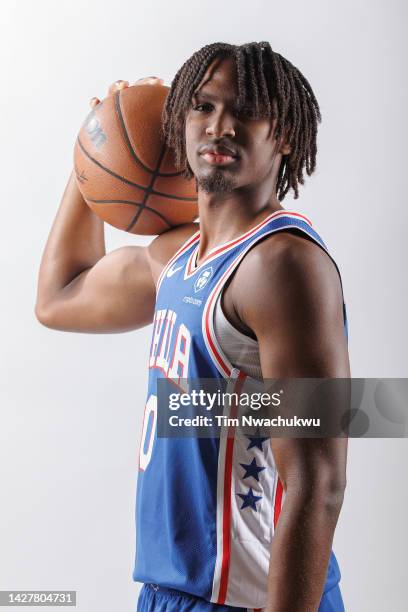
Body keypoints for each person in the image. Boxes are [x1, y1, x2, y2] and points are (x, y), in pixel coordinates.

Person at [35, 41, 350, 612]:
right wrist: (90, 153)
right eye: (201, 107)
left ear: (284, 136)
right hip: (169, 592)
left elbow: (319, 483)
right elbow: (59, 298)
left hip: (252, 599)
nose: (220, 125)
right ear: (177, 124)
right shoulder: (175, 259)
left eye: (247, 110)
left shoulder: (282, 266)